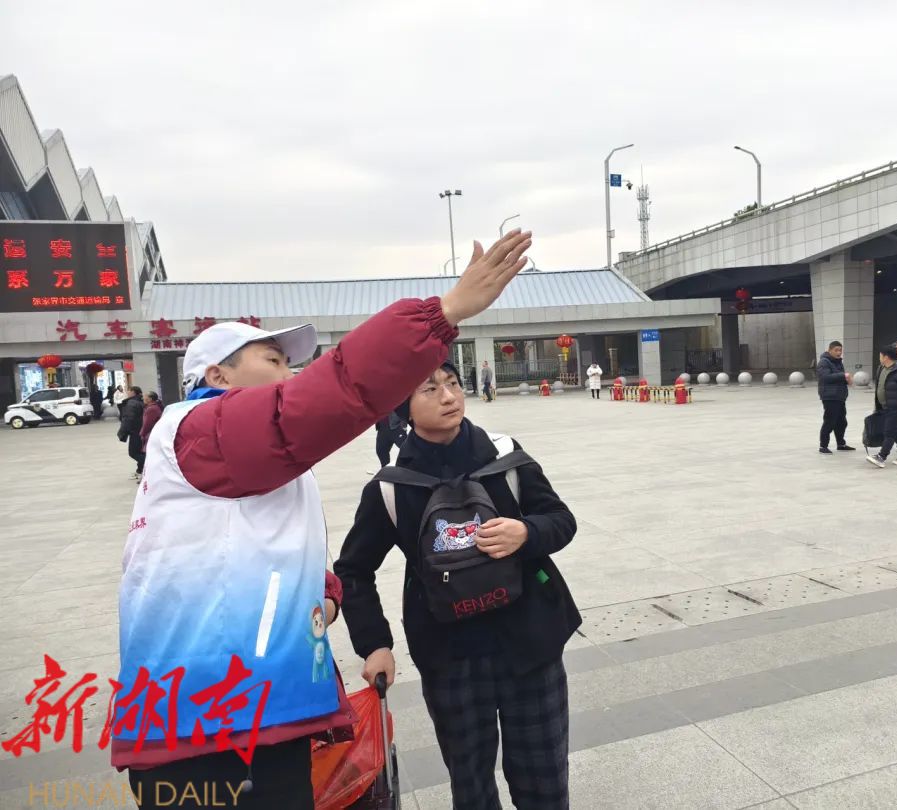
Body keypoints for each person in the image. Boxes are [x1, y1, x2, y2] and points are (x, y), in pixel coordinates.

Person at [112, 230, 532, 808]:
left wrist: (322, 593)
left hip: (245, 715)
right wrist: (443, 314)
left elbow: (252, 549)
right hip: (208, 727)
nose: (289, 374)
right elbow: (330, 392)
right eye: (273, 360)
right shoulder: (203, 429)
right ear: (217, 376)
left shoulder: (234, 450)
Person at [336, 360, 579, 810]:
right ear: (404, 409)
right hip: (450, 658)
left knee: (545, 783)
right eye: (429, 389)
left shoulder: (505, 457)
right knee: (471, 789)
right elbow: (353, 570)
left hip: (530, 645)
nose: (448, 396)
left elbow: (561, 520)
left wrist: (526, 533)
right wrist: (374, 644)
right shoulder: (391, 488)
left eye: (451, 383)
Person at [816, 341, 854, 453]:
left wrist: (847, 380)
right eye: (836, 350)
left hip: (839, 396)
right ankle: (823, 446)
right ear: (829, 350)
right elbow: (825, 377)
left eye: (840, 350)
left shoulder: (838, 362)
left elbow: (839, 378)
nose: (839, 353)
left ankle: (841, 444)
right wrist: (843, 375)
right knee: (830, 421)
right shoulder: (824, 362)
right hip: (830, 396)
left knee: (842, 422)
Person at [118, 386, 145, 481]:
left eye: (128, 391)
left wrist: (123, 432)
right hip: (141, 430)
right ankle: (140, 470)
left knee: (133, 453)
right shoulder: (140, 401)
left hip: (135, 431)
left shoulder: (132, 403)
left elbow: (128, 418)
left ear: (133, 392)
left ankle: (149, 466)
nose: (127, 392)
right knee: (140, 451)